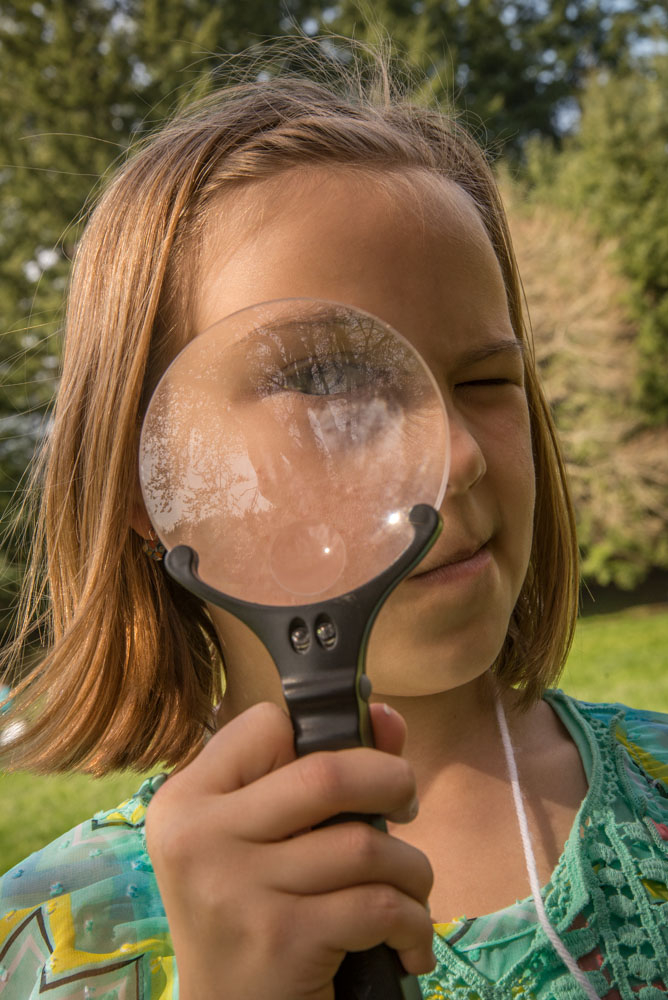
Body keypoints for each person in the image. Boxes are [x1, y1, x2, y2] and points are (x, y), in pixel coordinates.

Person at [1, 53, 668, 1000]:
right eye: (326, 384)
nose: (459, 456)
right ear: (149, 485)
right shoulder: (47, 944)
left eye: (487, 381)